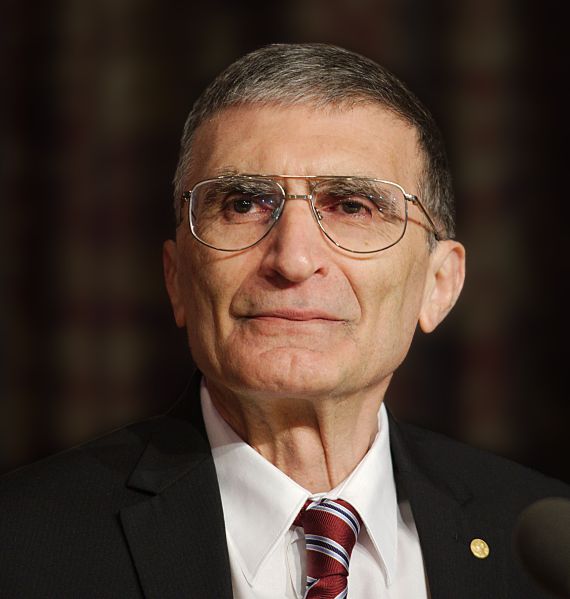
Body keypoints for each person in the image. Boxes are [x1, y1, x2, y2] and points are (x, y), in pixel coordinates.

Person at [1, 43, 568, 599]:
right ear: (177, 278)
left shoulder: (539, 547)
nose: (293, 259)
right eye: (243, 205)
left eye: (352, 206)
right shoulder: (21, 546)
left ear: (438, 285)